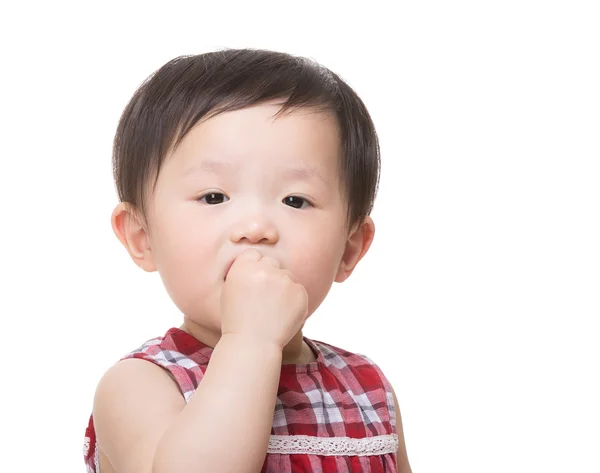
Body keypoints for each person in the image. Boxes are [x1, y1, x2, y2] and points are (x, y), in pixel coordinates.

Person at [83, 48, 412, 473]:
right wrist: (251, 342)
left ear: (350, 248)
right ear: (142, 236)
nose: (255, 227)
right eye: (213, 196)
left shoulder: (367, 389)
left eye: (296, 200)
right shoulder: (140, 386)